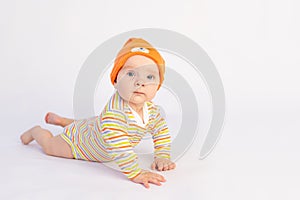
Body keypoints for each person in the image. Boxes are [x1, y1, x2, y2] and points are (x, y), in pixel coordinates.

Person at [20, 38, 176, 189]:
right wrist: (135, 173)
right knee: (50, 147)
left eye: (149, 77)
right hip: (80, 142)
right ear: (115, 81)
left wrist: (162, 155)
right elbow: (121, 148)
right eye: (130, 74)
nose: (140, 82)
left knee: (93, 123)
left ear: (158, 86)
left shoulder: (152, 111)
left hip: (95, 126)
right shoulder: (114, 115)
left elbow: (161, 131)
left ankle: (63, 121)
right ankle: (36, 131)